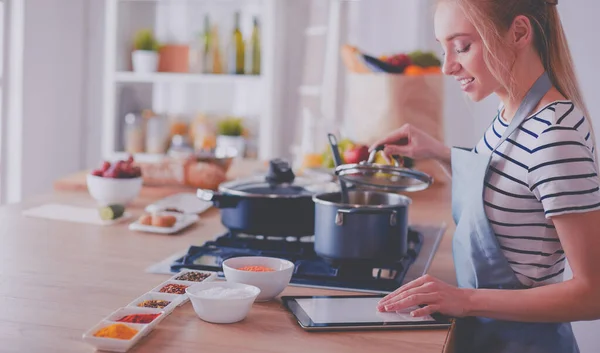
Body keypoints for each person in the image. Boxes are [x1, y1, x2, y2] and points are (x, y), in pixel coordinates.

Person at [372, 0, 600, 352]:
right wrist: (438, 152)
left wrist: (464, 299)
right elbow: (508, 185)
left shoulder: (555, 135)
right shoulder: (509, 111)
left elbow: (592, 294)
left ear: (520, 32)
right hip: (486, 337)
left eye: (462, 46)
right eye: (443, 48)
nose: (448, 66)